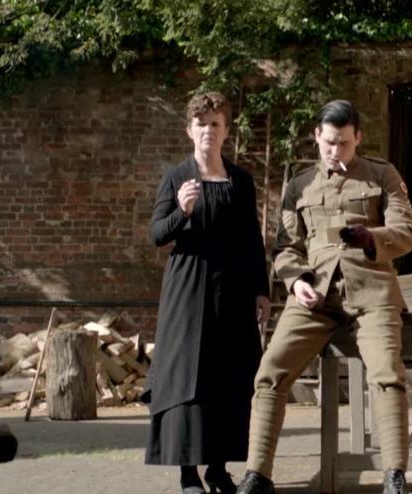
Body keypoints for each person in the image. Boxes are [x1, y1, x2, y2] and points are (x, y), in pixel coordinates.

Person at [235, 100, 412, 494]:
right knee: (269, 372)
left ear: (358, 138)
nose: (336, 151)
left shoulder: (382, 175)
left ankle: (394, 476)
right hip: (314, 296)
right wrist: (295, 281)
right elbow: (286, 247)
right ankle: (258, 474)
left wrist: (372, 237)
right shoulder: (299, 185)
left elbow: (407, 232)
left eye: (345, 143)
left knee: (387, 375)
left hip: (372, 293)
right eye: (329, 142)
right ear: (317, 136)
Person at [144, 91, 271, 494]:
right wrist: (181, 211)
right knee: (187, 378)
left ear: (226, 130)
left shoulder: (241, 180)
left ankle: (218, 469)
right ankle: (188, 473)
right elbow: (157, 235)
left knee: (230, 376)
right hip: (187, 289)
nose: (208, 131)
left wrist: (261, 290)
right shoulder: (176, 178)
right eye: (201, 124)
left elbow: (252, 240)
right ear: (189, 130)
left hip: (232, 291)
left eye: (215, 124)